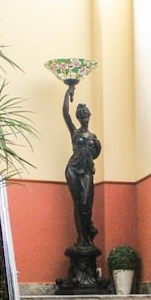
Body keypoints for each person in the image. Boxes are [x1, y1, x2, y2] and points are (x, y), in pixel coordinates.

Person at [62, 86, 102, 247]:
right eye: (81, 116)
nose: (84, 118)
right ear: (78, 118)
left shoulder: (93, 137)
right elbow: (65, 114)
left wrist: (94, 148)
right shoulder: (75, 132)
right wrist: (68, 92)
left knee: (86, 203)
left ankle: (88, 232)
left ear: (89, 116)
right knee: (78, 203)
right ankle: (82, 239)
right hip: (73, 168)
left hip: (87, 170)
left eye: (86, 116)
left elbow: (96, 154)